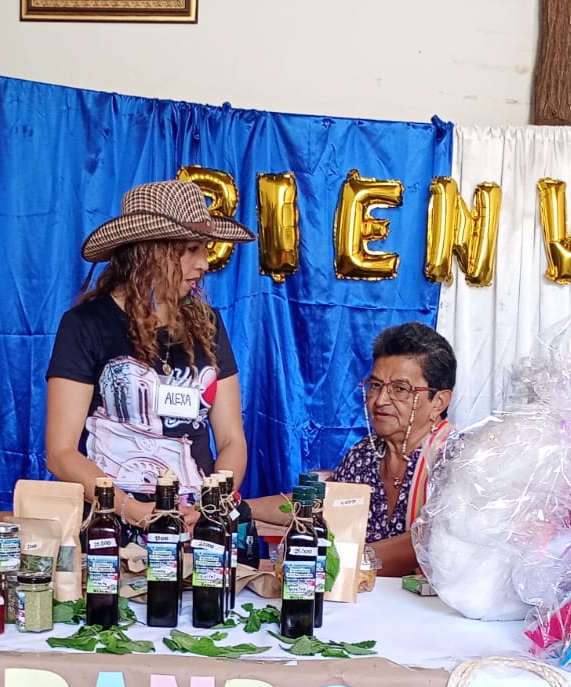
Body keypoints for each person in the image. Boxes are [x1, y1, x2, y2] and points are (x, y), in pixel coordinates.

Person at [45, 179, 255, 531]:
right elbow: (61, 452)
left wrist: (208, 509)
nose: (204, 263)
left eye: (204, 248)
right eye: (191, 249)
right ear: (150, 252)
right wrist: (138, 513)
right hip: (110, 528)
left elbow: (233, 439)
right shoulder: (85, 325)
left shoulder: (209, 324)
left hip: (195, 525)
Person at [250, 322, 457, 575]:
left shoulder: (456, 459)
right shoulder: (364, 455)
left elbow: (431, 541)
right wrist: (237, 507)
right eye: (376, 385)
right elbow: (316, 506)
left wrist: (343, 565)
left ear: (438, 401)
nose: (380, 401)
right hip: (364, 603)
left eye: (400, 389)